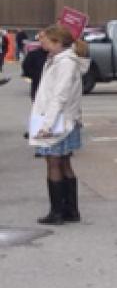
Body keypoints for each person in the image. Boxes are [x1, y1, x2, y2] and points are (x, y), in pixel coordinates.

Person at [29, 25, 90, 225]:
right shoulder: (61, 59)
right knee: (63, 162)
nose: (42, 43)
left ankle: (57, 213)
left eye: (45, 40)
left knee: (53, 163)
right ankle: (70, 210)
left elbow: (59, 96)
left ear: (57, 42)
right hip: (62, 118)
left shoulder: (65, 63)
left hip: (56, 119)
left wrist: (46, 125)